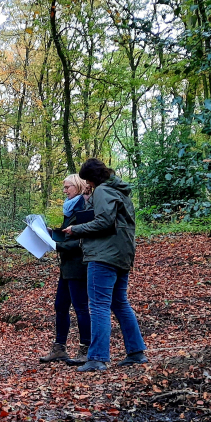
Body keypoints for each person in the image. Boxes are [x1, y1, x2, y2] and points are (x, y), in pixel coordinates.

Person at [62, 158, 148, 372]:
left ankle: (98, 357)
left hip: (103, 255)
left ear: (93, 178)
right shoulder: (120, 192)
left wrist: (76, 229)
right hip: (123, 254)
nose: (87, 185)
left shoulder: (102, 191)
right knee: (120, 303)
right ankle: (136, 352)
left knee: (98, 305)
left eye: (88, 180)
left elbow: (104, 222)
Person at [39, 174, 92, 366]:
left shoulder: (84, 208)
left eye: (67, 187)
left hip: (78, 266)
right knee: (60, 306)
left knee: (81, 308)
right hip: (66, 266)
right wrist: (48, 233)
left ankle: (86, 349)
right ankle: (59, 348)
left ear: (78, 186)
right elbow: (65, 235)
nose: (65, 190)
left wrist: (55, 245)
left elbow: (80, 241)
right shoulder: (70, 209)